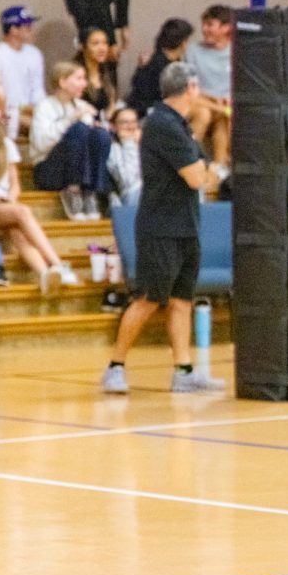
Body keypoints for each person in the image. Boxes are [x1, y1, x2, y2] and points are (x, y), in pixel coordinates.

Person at [101, 62, 222, 395]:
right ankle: (115, 367)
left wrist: (206, 171)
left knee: (182, 300)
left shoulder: (179, 124)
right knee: (149, 299)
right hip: (161, 227)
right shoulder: (161, 124)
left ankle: (183, 371)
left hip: (186, 224)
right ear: (191, 89)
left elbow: (205, 168)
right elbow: (198, 177)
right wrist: (205, 173)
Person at [0, 124, 81, 293]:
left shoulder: (6, 145)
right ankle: (57, 264)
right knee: (23, 212)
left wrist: (10, 199)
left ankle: (44, 274)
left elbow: (15, 184)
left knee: (16, 231)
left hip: (4, 205)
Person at [30, 61, 111, 220]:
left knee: (99, 134)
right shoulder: (44, 106)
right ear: (62, 82)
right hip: (49, 170)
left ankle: (90, 192)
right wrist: (70, 119)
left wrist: (97, 127)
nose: (84, 83)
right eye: (79, 78)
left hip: (79, 171)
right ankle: (72, 191)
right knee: (79, 129)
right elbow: (41, 144)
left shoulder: (82, 105)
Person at [185, 5, 233, 173]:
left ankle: (220, 167)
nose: (205, 29)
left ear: (226, 27)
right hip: (200, 101)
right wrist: (214, 99)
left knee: (224, 117)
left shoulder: (236, 52)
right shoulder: (193, 50)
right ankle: (187, 160)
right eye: (204, 24)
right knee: (205, 113)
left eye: (210, 24)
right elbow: (190, 86)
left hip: (225, 106)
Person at [127, 18, 194, 116]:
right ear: (183, 43)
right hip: (150, 111)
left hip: (164, 107)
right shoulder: (159, 65)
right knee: (201, 112)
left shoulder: (174, 61)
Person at [0, 6, 48, 136]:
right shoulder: (0, 54)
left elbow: (37, 88)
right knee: (42, 129)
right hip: (7, 112)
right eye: (27, 26)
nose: (32, 30)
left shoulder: (34, 53)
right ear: (13, 29)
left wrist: (39, 108)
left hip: (30, 110)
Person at [74, 26, 119, 125]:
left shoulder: (108, 72)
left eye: (105, 43)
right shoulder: (74, 74)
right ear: (82, 46)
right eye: (95, 43)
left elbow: (112, 104)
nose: (102, 48)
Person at [106, 107, 142, 207]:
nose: (131, 127)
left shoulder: (147, 145)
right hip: (131, 197)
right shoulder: (113, 149)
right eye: (124, 122)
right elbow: (128, 182)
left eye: (134, 122)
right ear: (114, 126)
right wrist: (129, 144)